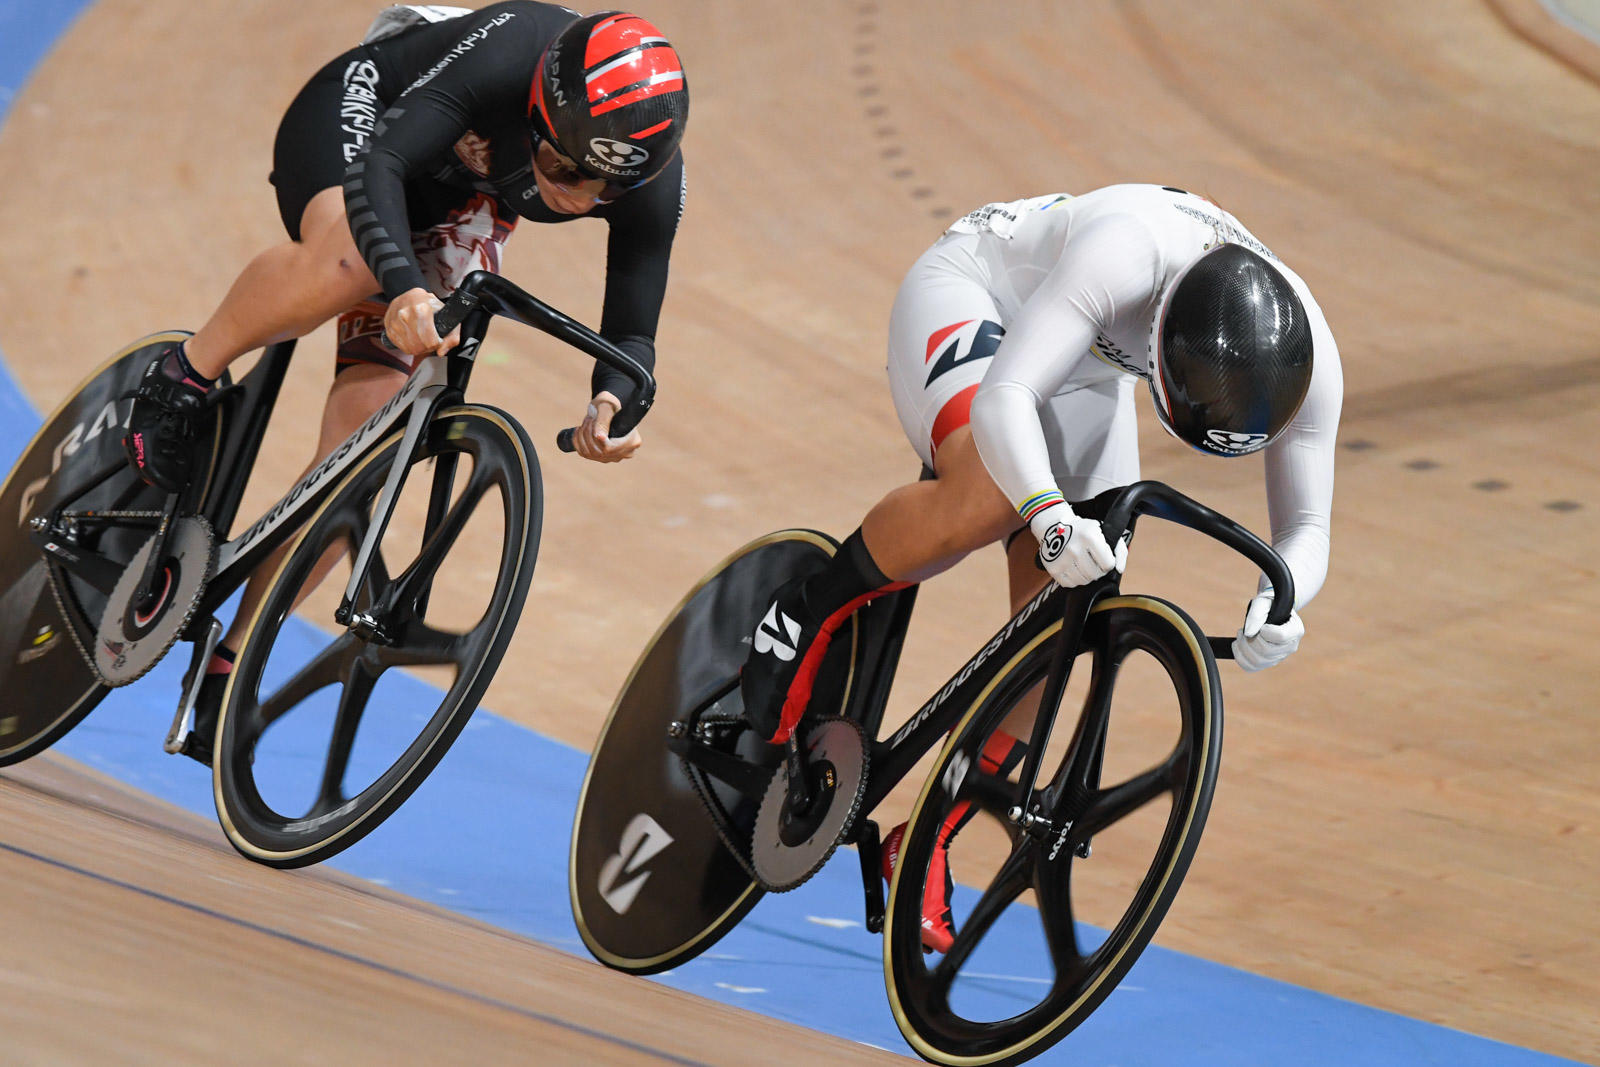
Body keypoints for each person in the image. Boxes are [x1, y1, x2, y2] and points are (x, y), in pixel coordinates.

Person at [740, 183, 1344, 952]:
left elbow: (1307, 526)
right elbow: (1006, 400)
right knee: (990, 498)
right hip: (978, 293)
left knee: (1072, 619)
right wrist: (1048, 516)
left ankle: (926, 835)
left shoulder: (1309, 358)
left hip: (1087, 366)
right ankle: (806, 607)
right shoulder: (1126, 253)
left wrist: (1283, 599)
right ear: (1163, 333)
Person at [118, 3, 689, 763]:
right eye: (562, 170)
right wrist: (403, 288)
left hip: (460, 198)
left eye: (603, 193)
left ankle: (236, 653)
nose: (581, 199)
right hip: (371, 120)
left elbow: (633, 331)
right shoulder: (511, 50)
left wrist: (614, 399)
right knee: (349, 264)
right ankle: (182, 376)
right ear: (538, 115)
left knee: (367, 448)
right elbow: (382, 164)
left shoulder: (643, 165)